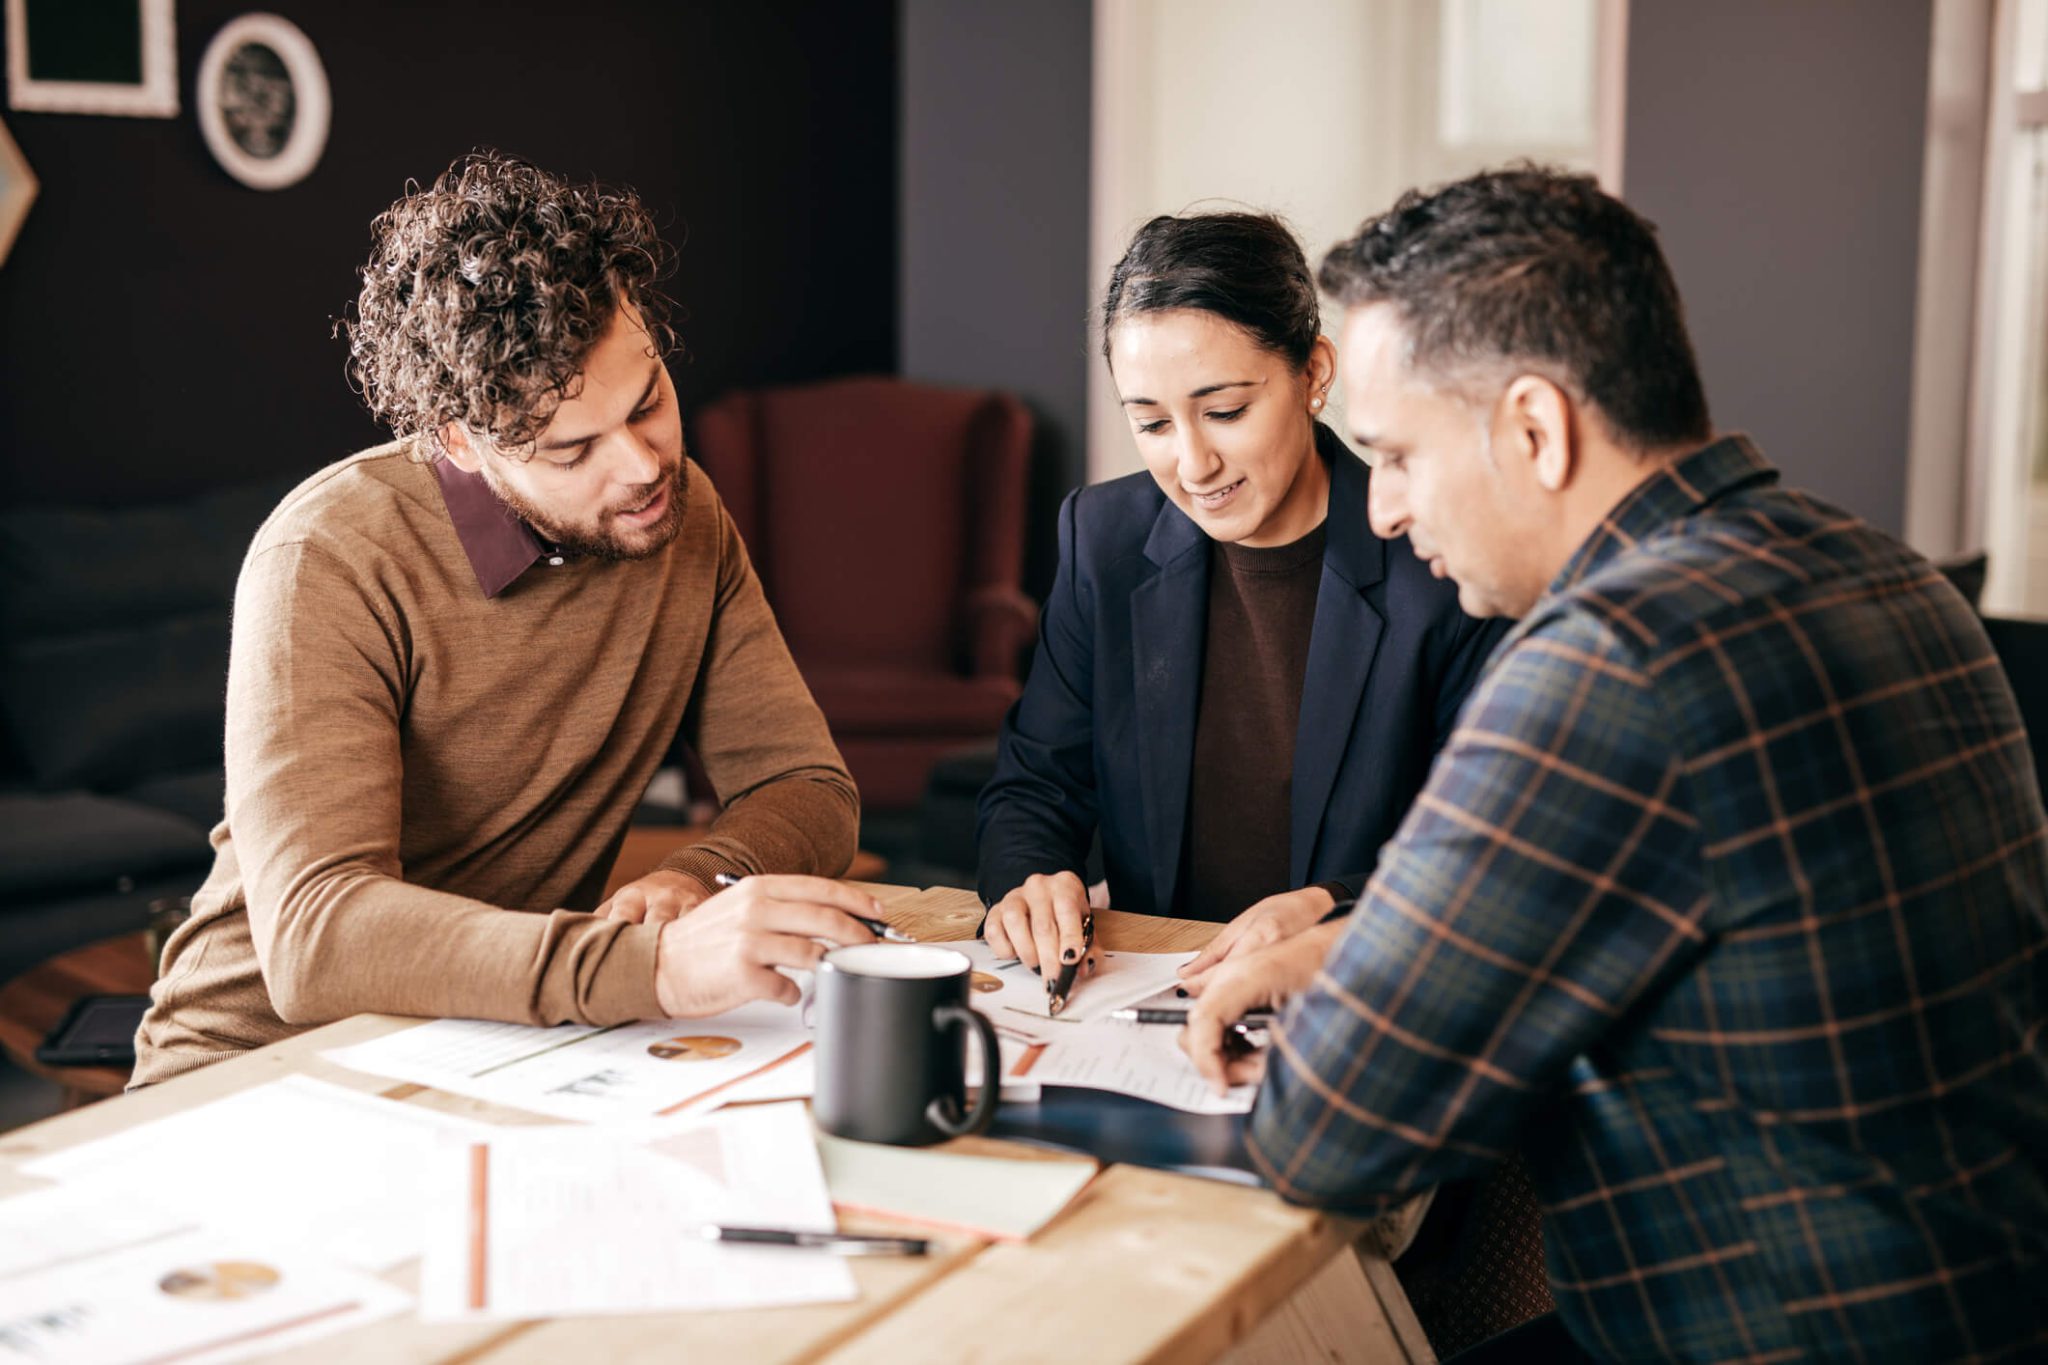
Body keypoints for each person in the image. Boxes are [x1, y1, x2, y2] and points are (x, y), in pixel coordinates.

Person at [1186, 167, 2048, 1362]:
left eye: (1393, 454)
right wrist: (1359, 943)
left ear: (1534, 428)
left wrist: (1359, 973)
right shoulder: (1884, 574)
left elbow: (1325, 1136)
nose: (1379, 509)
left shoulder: (1606, 660)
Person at [135, 152, 882, 1086]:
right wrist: (649, 968)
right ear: (461, 438)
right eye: (574, 450)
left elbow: (808, 784)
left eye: (648, 400)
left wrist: (701, 875)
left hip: (502, 1048)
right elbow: (317, 937)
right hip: (259, 1070)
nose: (644, 465)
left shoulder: (684, 518)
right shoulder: (328, 555)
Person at [974, 212, 1508, 987]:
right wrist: (1031, 878)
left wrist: (1333, 906)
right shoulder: (1105, 536)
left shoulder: (1441, 560)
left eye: (1225, 411)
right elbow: (1036, 784)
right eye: (1151, 422)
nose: (1192, 464)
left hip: (1368, 991)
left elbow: (1491, 844)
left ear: (1314, 375)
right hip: (1153, 995)